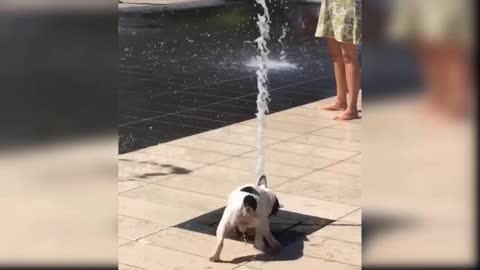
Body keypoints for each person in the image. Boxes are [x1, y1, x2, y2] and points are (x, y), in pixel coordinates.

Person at [315, 0, 362, 120]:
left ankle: (352, 108)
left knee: (348, 56)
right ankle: (341, 101)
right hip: (330, 3)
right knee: (336, 55)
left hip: (348, 4)